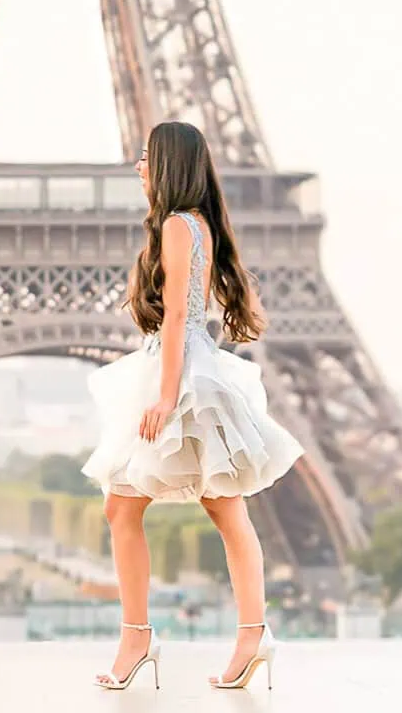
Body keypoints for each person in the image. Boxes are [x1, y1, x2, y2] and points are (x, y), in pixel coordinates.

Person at [81, 121, 303, 691]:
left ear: (169, 165)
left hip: (179, 370)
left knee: (195, 508)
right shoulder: (193, 224)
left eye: (147, 158)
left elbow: (179, 314)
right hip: (186, 364)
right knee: (182, 508)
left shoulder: (178, 227)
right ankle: (227, 635)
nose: (139, 166)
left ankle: (152, 635)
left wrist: (165, 395)